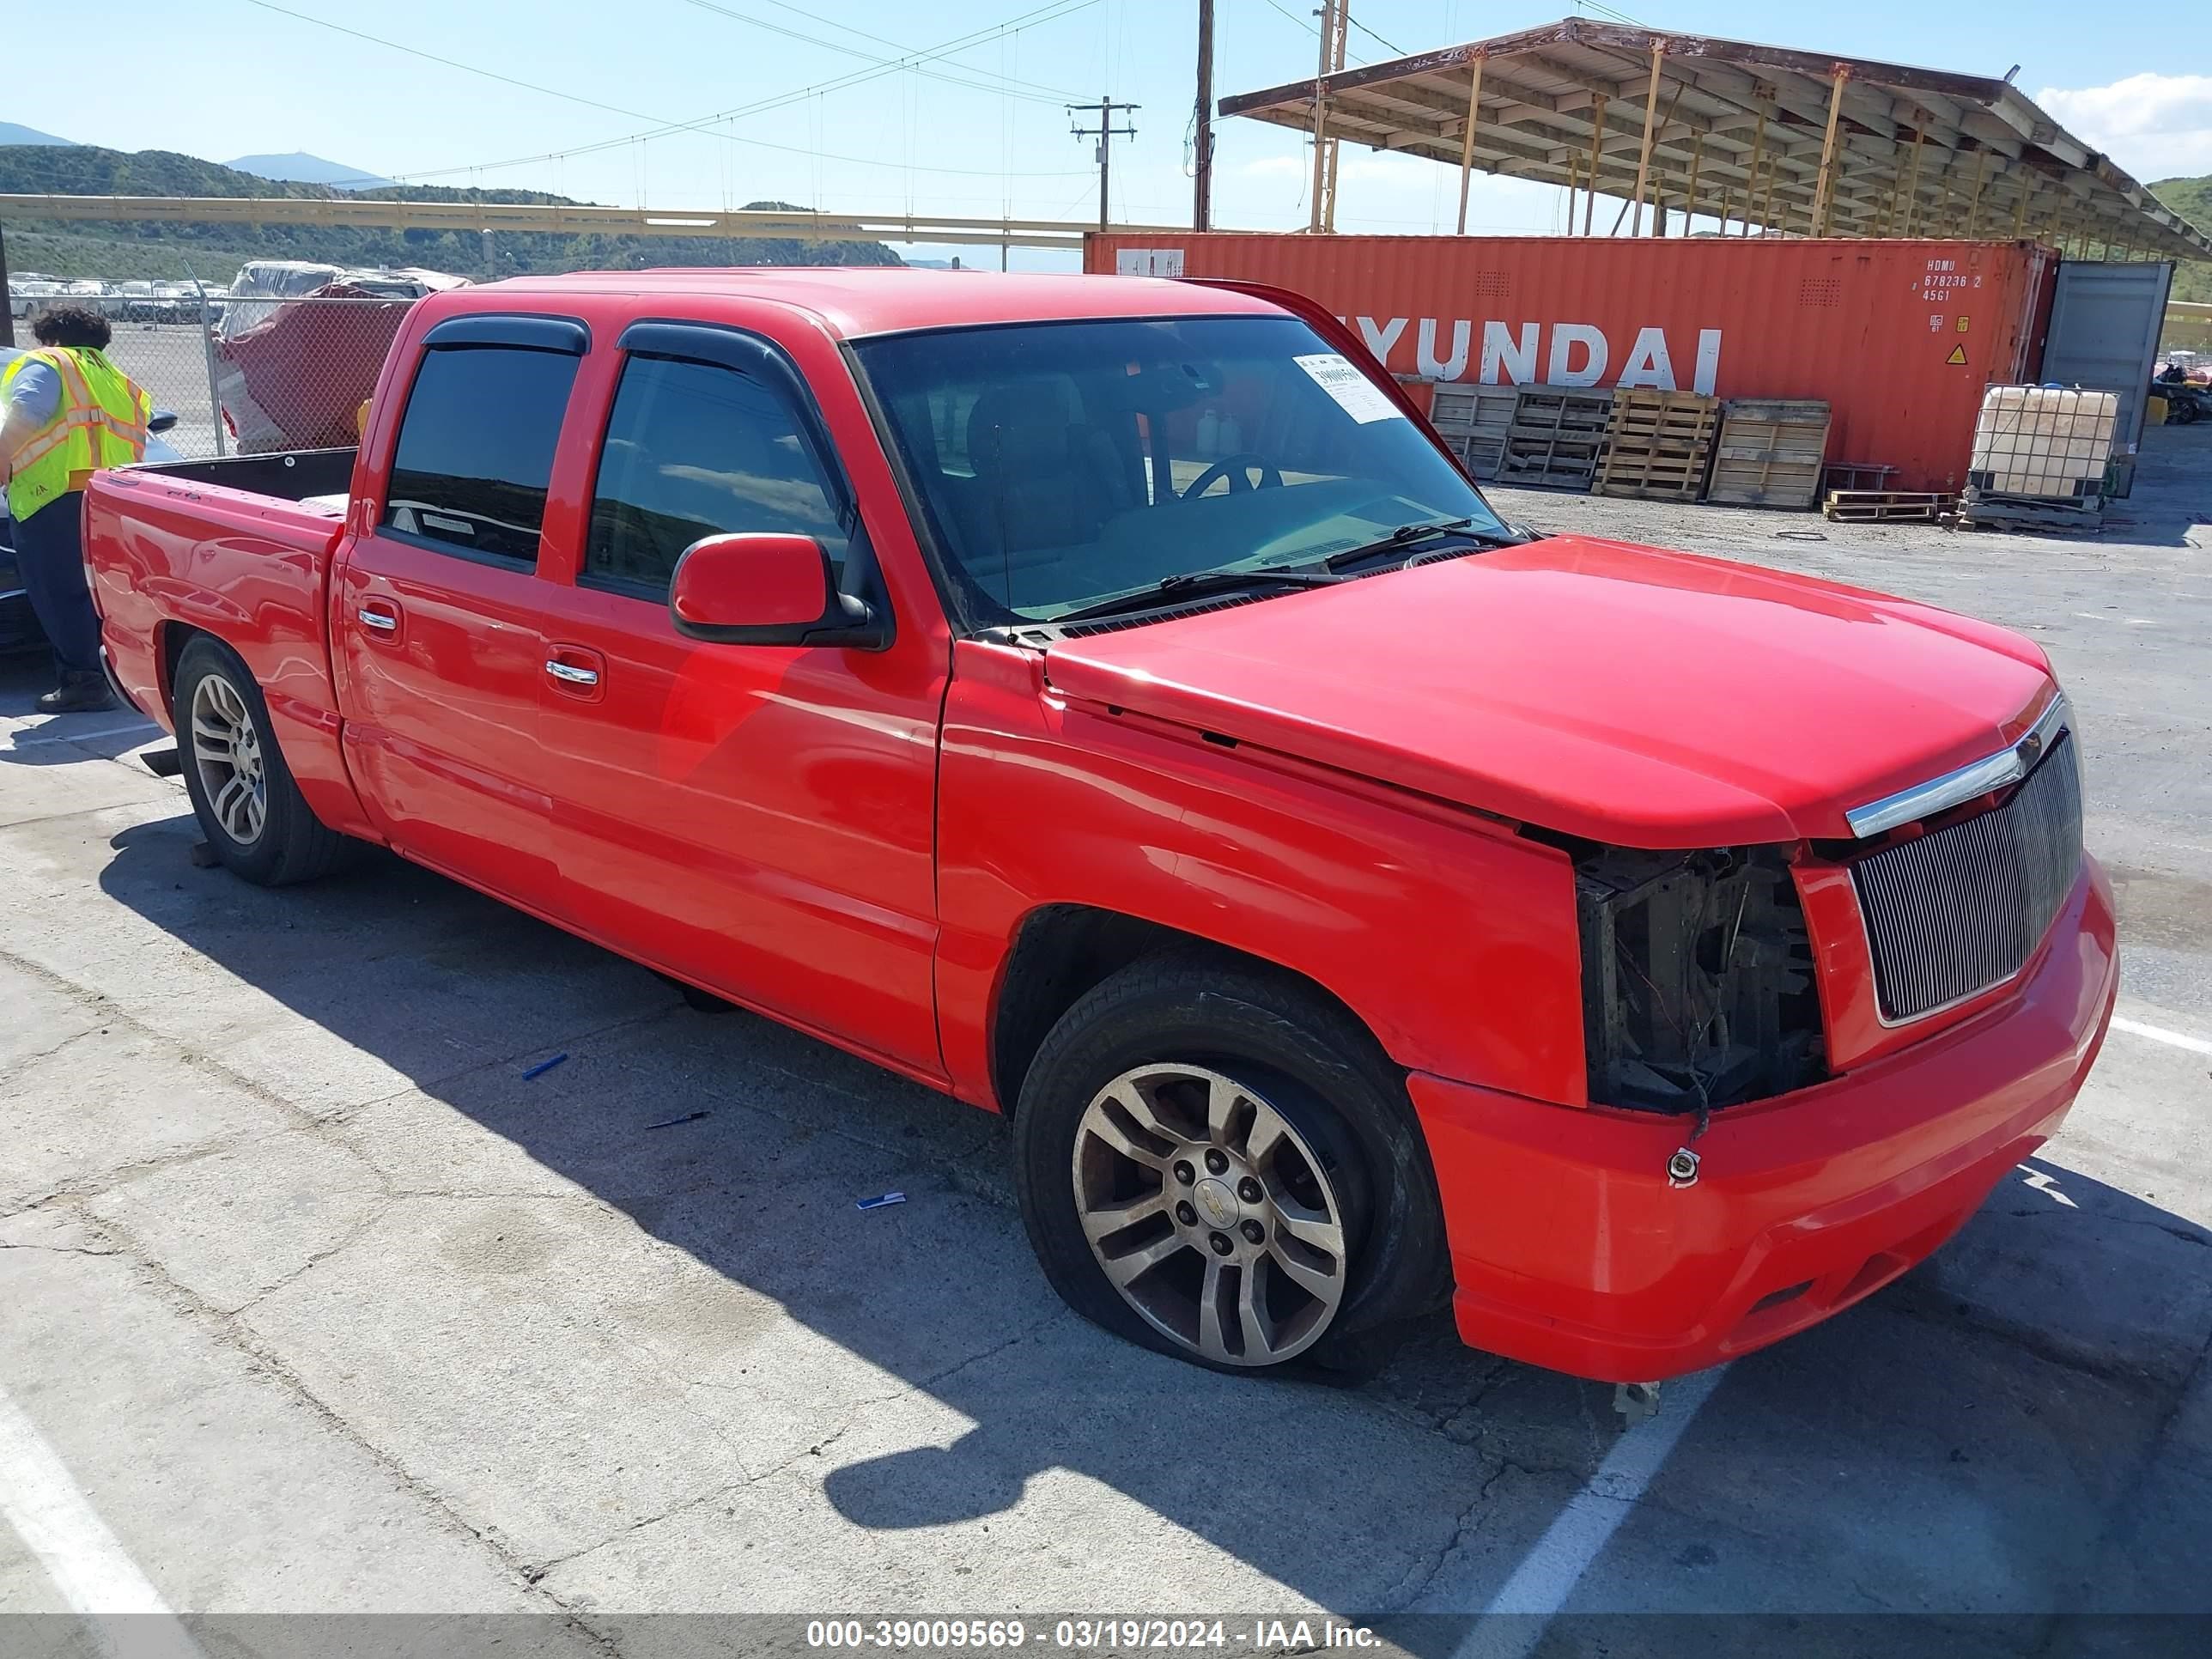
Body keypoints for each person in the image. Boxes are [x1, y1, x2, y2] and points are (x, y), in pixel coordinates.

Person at [0, 303, 153, 712]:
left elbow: (27, 415)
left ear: (51, 338)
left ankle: (82, 683)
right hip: (110, 498)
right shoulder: (117, 379)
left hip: (51, 496)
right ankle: (116, 676)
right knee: (99, 592)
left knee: (58, 593)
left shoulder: (49, 363)